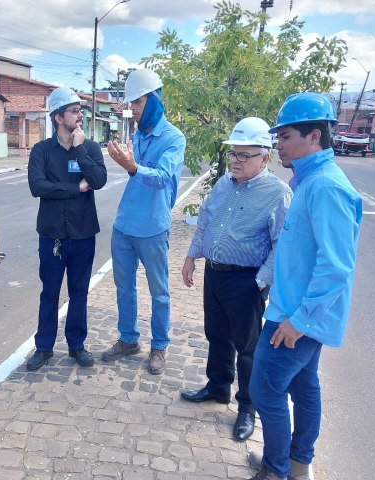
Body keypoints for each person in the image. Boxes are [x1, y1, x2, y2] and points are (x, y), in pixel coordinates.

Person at [248, 93, 362, 480]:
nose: (277, 143)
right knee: (303, 387)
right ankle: (297, 463)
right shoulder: (311, 180)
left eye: (284, 136)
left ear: (314, 136)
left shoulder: (327, 188)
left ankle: (275, 469)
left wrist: (299, 321)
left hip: (297, 319)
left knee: (265, 390)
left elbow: (336, 266)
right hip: (293, 311)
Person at [179, 118, 292, 442]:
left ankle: (247, 408)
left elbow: (281, 246)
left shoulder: (278, 194)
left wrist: (259, 282)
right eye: (234, 154)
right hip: (215, 274)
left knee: (247, 348)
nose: (237, 161)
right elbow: (205, 221)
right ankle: (217, 387)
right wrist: (191, 257)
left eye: (245, 155)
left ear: (264, 158)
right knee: (216, 335)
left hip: (246, 281)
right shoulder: (224, 184)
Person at [102, 69, 186, 375]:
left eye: (137, 102)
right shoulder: (136, 134)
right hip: (124, 225)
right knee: (124, 287)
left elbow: (163, 178)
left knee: (159, 292)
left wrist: (133, 166)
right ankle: (128, 339)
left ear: (154, 100)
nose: (132, 108)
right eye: (130, 103)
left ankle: (159, 346)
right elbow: (135, 171)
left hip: (153, 227)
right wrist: (129, 165)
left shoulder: (174, 138)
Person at [26, 87, 107, 371]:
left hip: (83, 233)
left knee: (79, 291)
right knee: (49, 291)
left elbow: (98, 180)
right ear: (58, 117)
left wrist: (80, 150)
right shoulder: (41, 151)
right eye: (74, 111)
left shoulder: (91, 148)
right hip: (51, 235)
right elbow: (38, 187)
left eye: (80, 110)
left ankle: (76, 344)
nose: (80, 115)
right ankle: (44, 347)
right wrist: (74, 188)